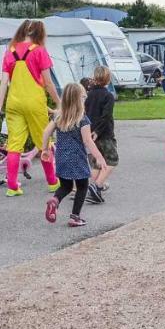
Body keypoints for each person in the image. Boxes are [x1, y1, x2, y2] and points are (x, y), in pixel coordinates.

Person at [0, 20, 61, 196]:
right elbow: (49, 83)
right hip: (34, 102)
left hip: (14, 103)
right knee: (43, 142)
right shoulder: (39, 50)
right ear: (40, 32)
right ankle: (52, 182)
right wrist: (59, 103)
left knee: (14, 144)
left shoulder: (10, 50)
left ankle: (12, 186)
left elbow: (4, 81)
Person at [41, 82, 106, 227]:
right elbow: (88, 141)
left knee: (66, 186)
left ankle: (55, 200)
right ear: (79, 100)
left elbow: (46, 132)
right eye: (83, 98)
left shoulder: (58, 117)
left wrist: (44, 149)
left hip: (61, 157)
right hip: (77, 158)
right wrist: (99, 157)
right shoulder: (82, 119)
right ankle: (75, 216)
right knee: (82, 186)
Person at [84, 66, 117, 204]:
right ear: (108, 79)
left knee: (96, 163)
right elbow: (106, 116)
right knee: (112, 160)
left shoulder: (88, 95)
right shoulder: (108, 96)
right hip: (104, 133)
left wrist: (91, 131)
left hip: (90, 133)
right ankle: (97, 185)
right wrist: (98, 131)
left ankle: (91, 188)